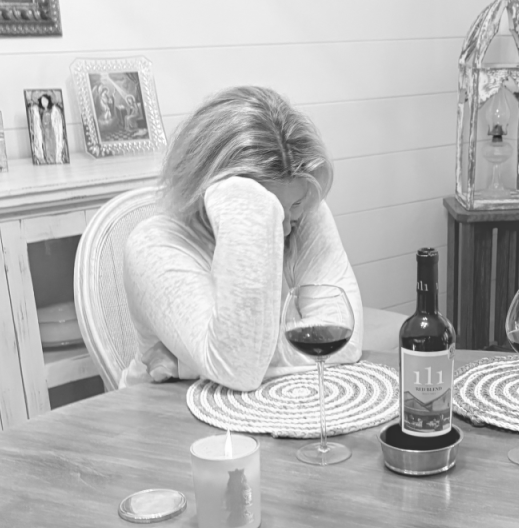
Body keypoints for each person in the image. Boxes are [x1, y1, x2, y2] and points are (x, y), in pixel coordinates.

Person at [121, 86, 363, 391]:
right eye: (272, 211)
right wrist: (253, 214)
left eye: (294, 209)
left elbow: (344, 341)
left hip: (265, 406)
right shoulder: (153, 247)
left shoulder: (304, 210)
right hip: (163, 418)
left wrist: (187, 366)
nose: (288, 228)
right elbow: (239, 368)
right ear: (220, 193)